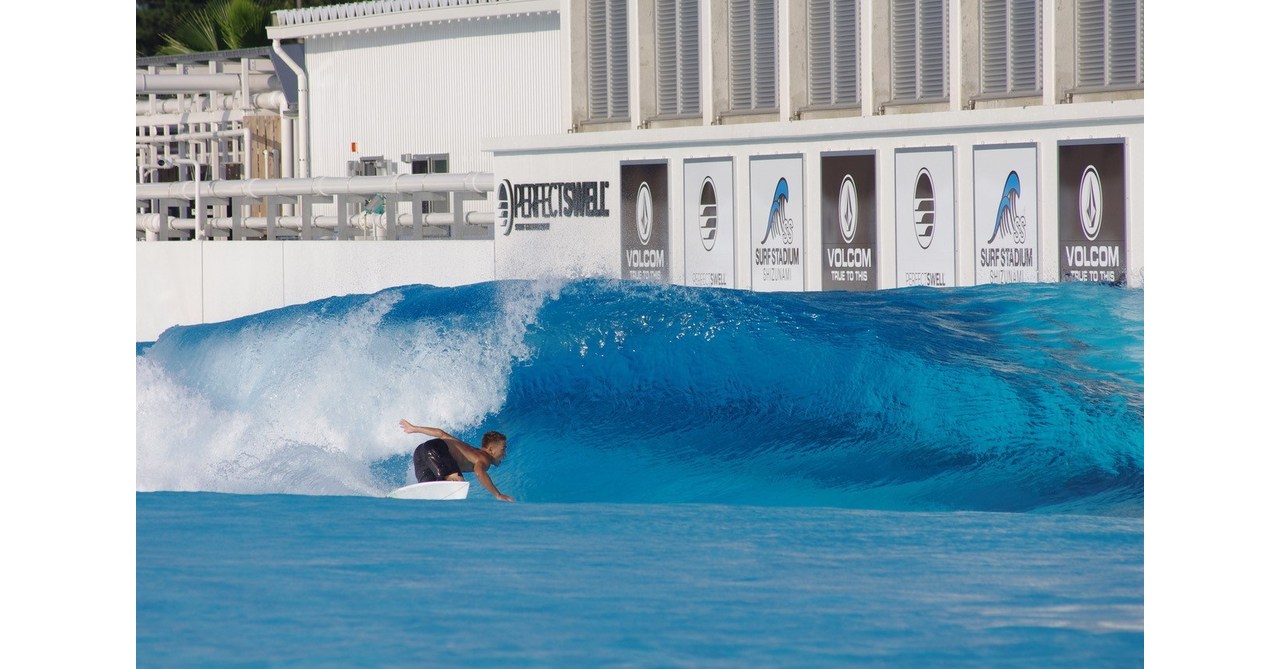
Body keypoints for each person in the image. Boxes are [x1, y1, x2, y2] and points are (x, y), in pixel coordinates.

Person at [399, 419, 515, 502]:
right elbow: (479, 472)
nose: (505, 453)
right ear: (491, 450)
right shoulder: (484, 458)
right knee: (456, 482)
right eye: (503, 449)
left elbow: (441, 433)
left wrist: (414, 428)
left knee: (430, 489)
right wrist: (498, 494)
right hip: (436, 449)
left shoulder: (465, 448)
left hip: (420, 452)